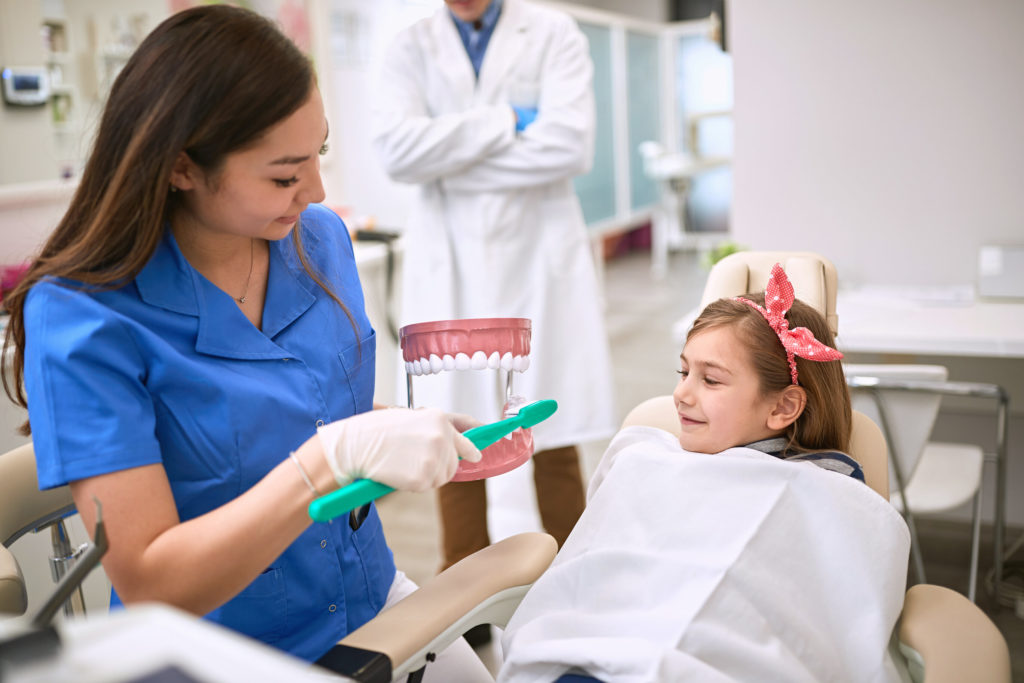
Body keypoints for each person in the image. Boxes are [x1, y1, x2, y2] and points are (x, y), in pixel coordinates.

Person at [0, 6, 493, 680]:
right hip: (220, 652)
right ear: (181, 168)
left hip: (367, 605)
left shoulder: (318, 242)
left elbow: (309, 414)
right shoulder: (84, 318)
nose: (316, 193)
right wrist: (330, 458)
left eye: (318, 154)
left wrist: (394, 430)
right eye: (285, 176)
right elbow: (152, 580)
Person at [497, 264, 911, 682]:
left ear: (783, 407)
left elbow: (824, 621)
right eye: (683, 372)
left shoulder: (827, 494)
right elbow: (598, 571)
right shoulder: (644, 458)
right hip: (587, 660)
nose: (681, 393)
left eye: (710, 380)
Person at [371, 0, 617, 636]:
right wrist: (507, 120)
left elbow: (570, 146)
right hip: (448, 262)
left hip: (540, 258)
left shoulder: (554, 32)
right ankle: (465, 598)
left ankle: (573, 588)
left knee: (554, 430)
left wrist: (449, 157)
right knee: (451, 429)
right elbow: (397, 153)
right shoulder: (409, 44)